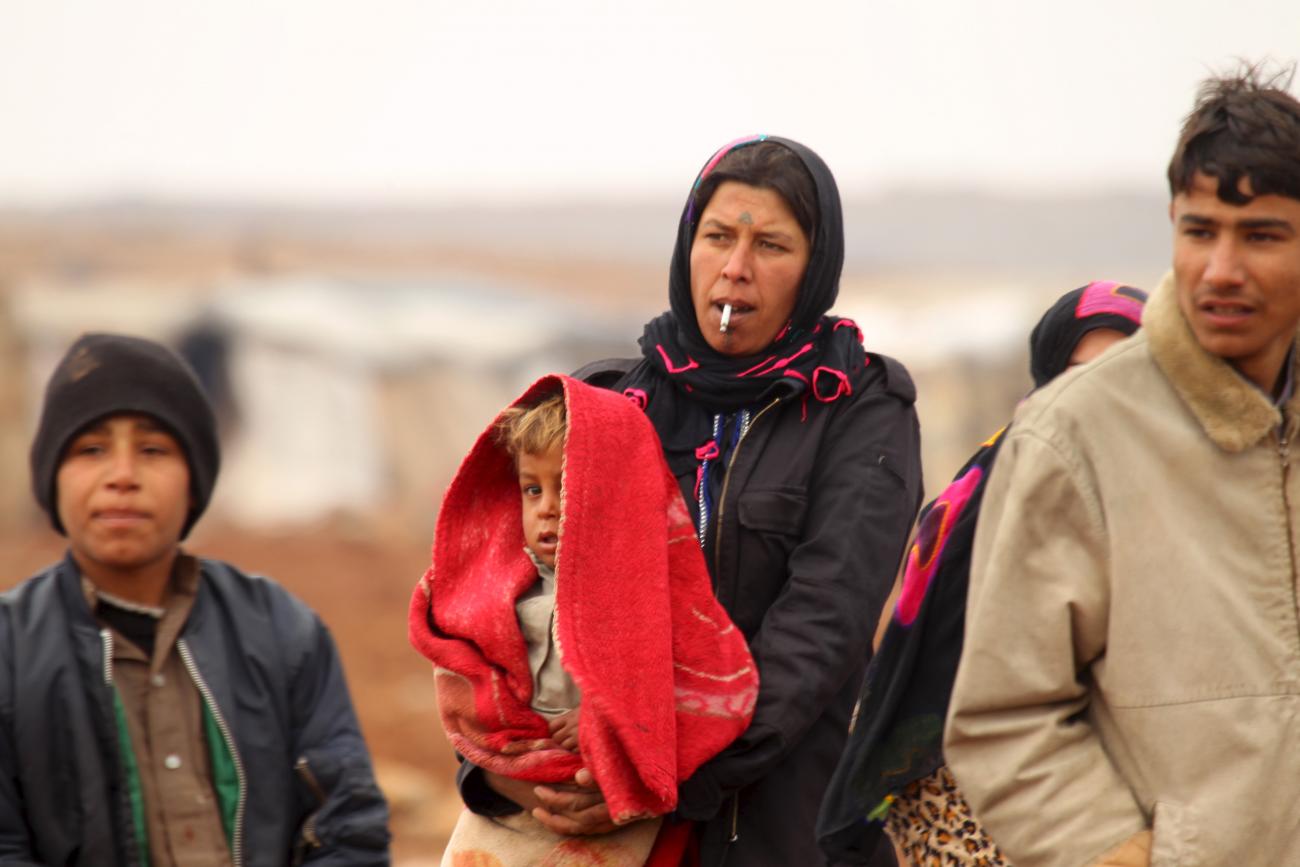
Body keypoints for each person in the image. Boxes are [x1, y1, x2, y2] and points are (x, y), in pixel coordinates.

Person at [455, 135, 925, 866]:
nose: (736, 267)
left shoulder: (860, 406)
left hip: (777, 826)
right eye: (717, 237)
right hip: (596, 825)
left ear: (815, 268)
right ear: (686, 249)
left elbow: (822, 628)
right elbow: (503, 601)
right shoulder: (610, 402)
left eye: (771, 244)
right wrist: (503, 768)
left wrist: (663, 773)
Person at [943, 64, 1300, 866]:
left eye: (1263, 235)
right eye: (1200, 230)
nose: (1221, 269)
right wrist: (1119, 853)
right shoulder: (1074, 437)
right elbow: (1003, 719)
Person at [0, 333, 390, 866]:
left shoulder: (280, 629)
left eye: (153, 450)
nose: (122, 477)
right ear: (52, 477)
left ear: (194, 481)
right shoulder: (9, 651)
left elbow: (348, 826)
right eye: (91, 450)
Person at [816, 280, 1147, 866]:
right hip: (967, 800)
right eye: (1076, 376)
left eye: (1124, 374)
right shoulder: (994, 490)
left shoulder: (1175, 500)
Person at [409, 376, 758, 865]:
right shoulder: (498, 592)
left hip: (605, 808)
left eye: (566, 488)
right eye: (532, 489)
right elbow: (469, 675)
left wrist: (604, 725)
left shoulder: (641, 595)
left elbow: (691, 688)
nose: (546, 508)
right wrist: (505, 752)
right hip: (512, 800)